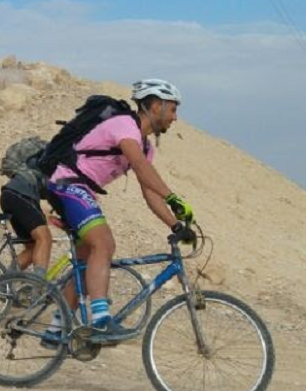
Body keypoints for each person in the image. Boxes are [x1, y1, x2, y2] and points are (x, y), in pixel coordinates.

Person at [43, 79, 194, 340]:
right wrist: (173, 197)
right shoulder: (125, 125)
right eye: (172, 109)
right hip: (67, 184)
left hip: (82, 191)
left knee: (85, 259)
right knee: (104, 244)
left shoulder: (146, 147)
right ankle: (101, 319)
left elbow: (148, 192)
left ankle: (56, 328)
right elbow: (138, 165)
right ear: (156, 106)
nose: (175, 117)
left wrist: (175, 224)